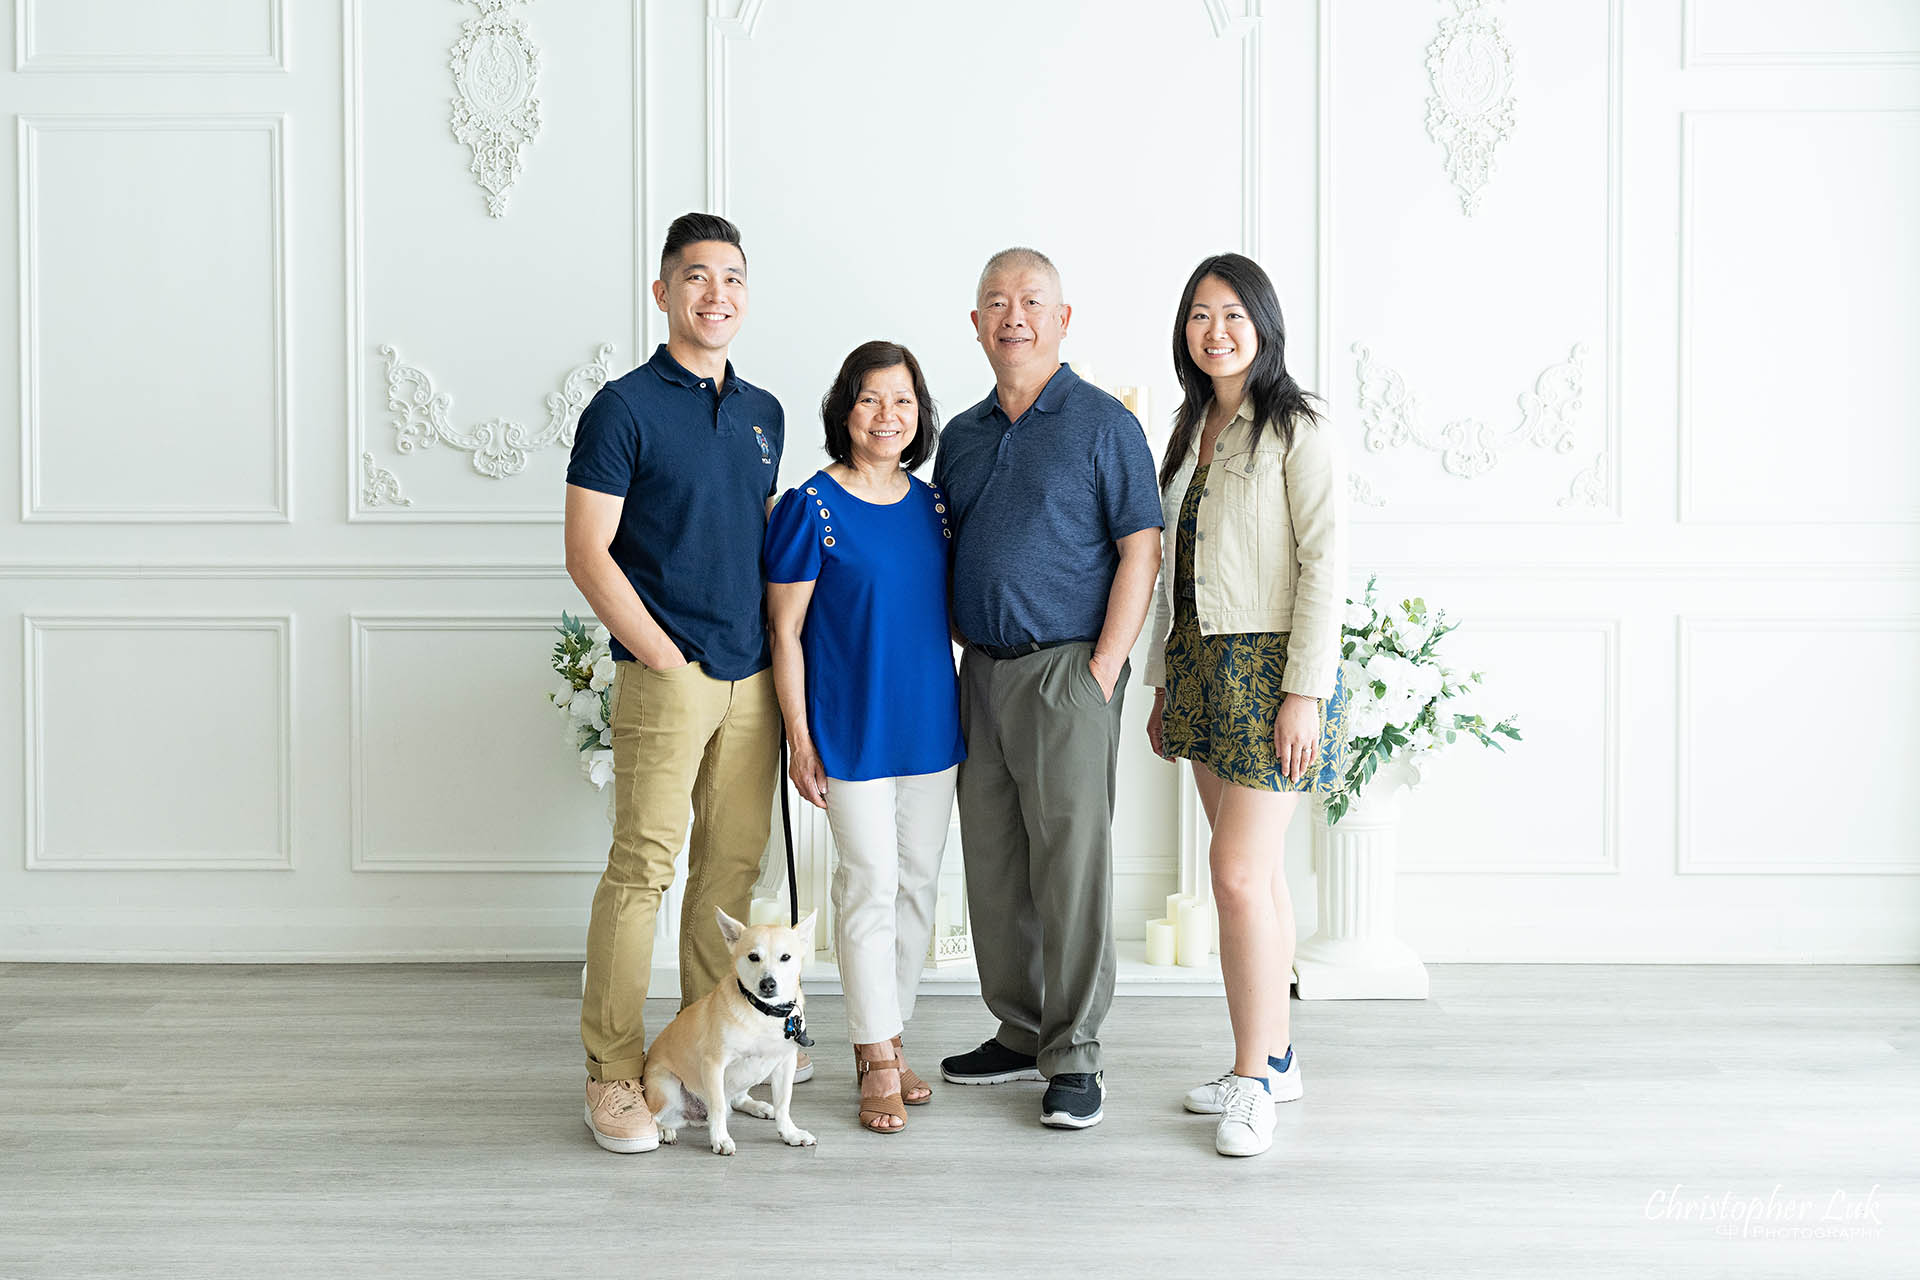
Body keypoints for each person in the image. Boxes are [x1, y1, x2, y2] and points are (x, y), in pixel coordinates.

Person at [564, 211, 801, 1156]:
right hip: (670, 677)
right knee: (641, 875)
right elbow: (588, 553)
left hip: (752, 681)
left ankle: (724, 1061)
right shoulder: (622, 407)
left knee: (728, 881)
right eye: (697, 276)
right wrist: (661, 657)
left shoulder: (764, 413)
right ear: (663, 291)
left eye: (734, 277)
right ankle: (614, 1074)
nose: (717, 293)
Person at [934, 247, 1163, 1130]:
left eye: (1031, 300)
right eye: (995, 301)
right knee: (994, 865)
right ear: (976, 323)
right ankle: (1020, 1027)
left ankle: (1074, 1054)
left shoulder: (1105, 425)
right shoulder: (959, 434)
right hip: (980, 675)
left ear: (1063, 319)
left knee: (1070, 870)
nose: (1013, 315)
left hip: (1069, 672)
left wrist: (1103, 670)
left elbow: (1139, 548)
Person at [1142, 252, 1351, 1158]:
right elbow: (1166, 573)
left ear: (1262, 324)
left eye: (1232, 313)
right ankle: (1275, 1058)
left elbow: (1326, 565)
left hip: (1271, 669)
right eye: (1199, 314)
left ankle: (1255, 1080)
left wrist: (1305, 691)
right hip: (1199, 663)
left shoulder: (1297, 427)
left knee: (1234, 876)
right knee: (1253, 878)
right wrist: (1160, 681)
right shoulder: (1190, 429)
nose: (1215, 329)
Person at [765, 341, 966, 1135]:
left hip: (931, 722)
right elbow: (784, 632)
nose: (888, 416)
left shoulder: (935, 506)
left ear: (920, 416)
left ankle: (887, 1034)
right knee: (869, 880)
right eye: (872, 400)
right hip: (848, 725)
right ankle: (875, 1057)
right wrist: (798, 736)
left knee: (919, 881)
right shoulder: (808, 507)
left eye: (903, 402)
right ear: (844, 409)